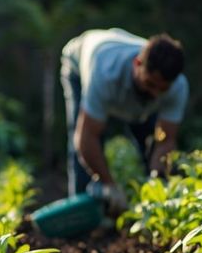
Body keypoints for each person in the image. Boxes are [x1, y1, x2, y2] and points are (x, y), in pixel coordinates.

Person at [61, 28, 189, 213]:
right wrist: (109, 184)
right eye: (151, 84)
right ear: (137, 64)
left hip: (125, 79)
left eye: (162, 89)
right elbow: (87, 139)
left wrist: (156, 180)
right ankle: (82, 213)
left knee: (150, 141)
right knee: (81, 140)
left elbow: (166, 140)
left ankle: (150, 207)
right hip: (79, 64)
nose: (155, 94)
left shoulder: (178, 87)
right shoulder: (104, 75)